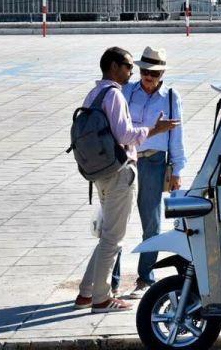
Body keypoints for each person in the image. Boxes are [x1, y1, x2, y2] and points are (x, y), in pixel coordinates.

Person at [74, 48, 178, 314]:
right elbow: (125, 135)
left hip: (100, 172)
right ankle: (102, 298)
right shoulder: (115, 95)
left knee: (107, 234)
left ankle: (86, 292)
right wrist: (155, 129)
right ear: (113, 66)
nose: (132, 72)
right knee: (113, 239)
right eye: (128, 67)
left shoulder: (94, 93)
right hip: (120, 172)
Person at [120, 47, 186, 300]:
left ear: (162, 74)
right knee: (118, 222)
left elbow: (176, 136)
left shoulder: (170, 97)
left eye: (154, 72)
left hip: (154, 162)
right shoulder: (126, 92)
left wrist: (177, 169)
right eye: (145, 71)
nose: (148, 76)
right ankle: (111, 281)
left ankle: (145, 277)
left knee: (152, 222)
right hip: (126, 160)